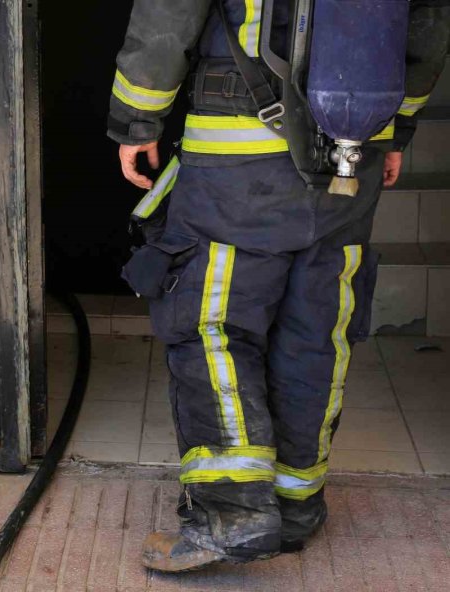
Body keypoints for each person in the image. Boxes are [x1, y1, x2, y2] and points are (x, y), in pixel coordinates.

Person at [110, 0, 450, 572]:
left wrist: (135, 121)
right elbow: (427, 28)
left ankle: (231, 512)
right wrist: (394, 129)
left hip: (239, 156)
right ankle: (296, 505)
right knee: (316, 334)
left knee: (212, 324)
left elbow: (167, 13)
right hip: (354, 156)